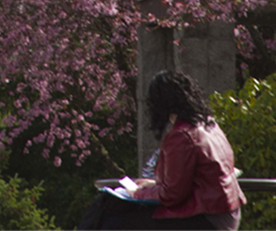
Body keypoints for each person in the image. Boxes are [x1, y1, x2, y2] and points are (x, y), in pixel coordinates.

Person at [101, 70, 245, 230]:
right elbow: (191, 180)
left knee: (112, 221)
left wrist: (138, 193)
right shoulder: (209, 125)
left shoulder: (182, 135)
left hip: (207, 219)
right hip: (224, 214)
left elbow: (172, 196)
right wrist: (153, 185)